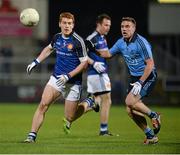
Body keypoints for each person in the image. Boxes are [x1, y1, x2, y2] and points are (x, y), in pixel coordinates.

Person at [24, 12, 97, 143]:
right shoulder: (57, 37)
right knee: (43, 105)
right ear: (60, 24)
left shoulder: (78, 41)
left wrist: (68, 76)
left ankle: (88, 103)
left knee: (70, 117)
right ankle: (31, 136)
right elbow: (48, 49)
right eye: (64, 23)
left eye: (69, 23)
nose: (67, 26)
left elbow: (84, 64)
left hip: (73, 83)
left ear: (73, 25)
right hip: (56, 79)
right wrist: (35, 62)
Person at [96, 17, 161, 144]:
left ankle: (154, 115)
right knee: (129, 110)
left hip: (147, 76)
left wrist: (140, 82)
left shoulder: (141, 42)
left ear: (134, 28)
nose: (124, 29)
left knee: (129, 101)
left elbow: (150, 64)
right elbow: (108, 54)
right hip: (134, 78)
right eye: (122, 27)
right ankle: (150, 136)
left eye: (127, 26)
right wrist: (93, 49)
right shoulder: (121, 42)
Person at [84, 14, 112, 136]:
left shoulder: (102, 38)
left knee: (97, 101)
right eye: (105, 25)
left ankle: (71, 116)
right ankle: (103, 130)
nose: (108, 27)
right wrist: (94, 63)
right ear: (98, 24)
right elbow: (82, 54)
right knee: (107, 100)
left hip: (100, 73)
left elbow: (104, 54)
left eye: (109, 25)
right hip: (97, 73)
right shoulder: (92, 38)